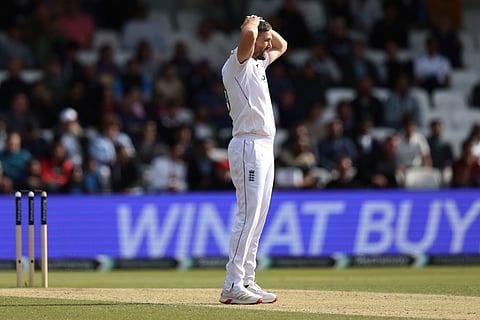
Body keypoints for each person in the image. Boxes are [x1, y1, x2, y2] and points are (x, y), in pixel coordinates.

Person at [220, 15, 287, 305]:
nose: (269, 44)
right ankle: (232, 285)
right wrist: (251, 22)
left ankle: (246, 278)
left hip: (263, 146)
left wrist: (267, 29)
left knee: (258, 218)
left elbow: (283, 46)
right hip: (248, 145)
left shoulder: (258, 64)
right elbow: (248, 37)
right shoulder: (238, 64)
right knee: (248, 216)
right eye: (264, 39)